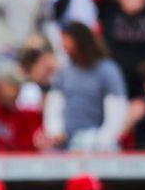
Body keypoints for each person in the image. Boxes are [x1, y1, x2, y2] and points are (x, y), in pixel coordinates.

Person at [43, 22, 128, 151]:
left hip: (97, 144)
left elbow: (117, 110)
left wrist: (103, 140)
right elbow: (54, 105)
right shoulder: (65, 73)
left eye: (67, 41)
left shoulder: (107, 71)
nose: (64, 47)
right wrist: (55, 130)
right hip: (66, 144)